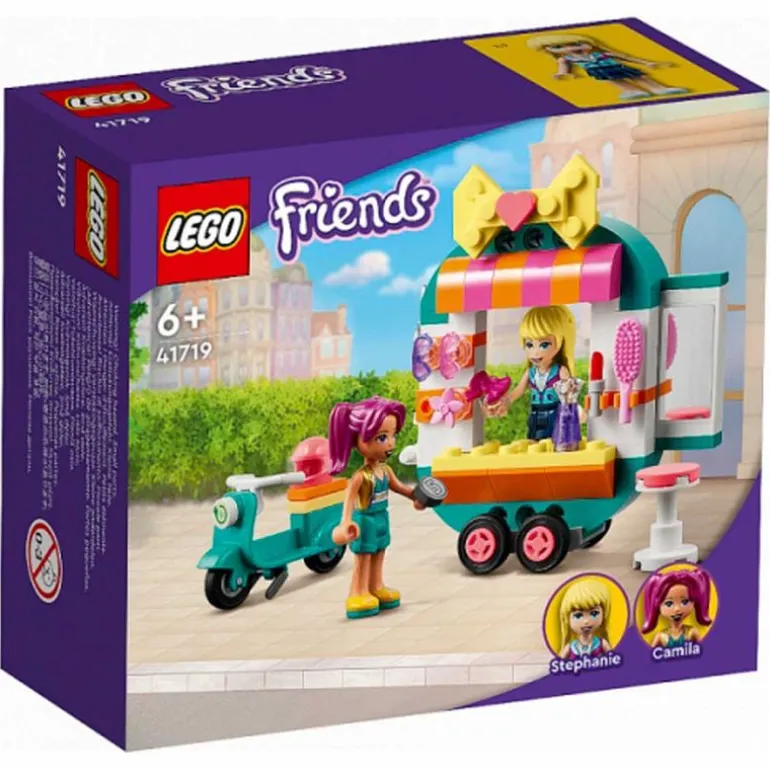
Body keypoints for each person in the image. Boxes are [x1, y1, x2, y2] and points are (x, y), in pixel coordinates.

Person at [328, 396, 424, 619]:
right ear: (358, 440)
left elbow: (401, 488)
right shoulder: (360, 477)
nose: (390, 443)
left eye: (392, 436)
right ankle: (358, 592)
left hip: (382, 518)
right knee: (364, 556)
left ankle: (376, 586)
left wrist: (416, 497)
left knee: (380, 551)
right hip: (364, 520)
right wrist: (346, 522)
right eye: (382, 437)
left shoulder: (385, 471)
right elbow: (349, 501)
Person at [527, 33, 688, 102]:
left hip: (616, 66)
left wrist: (646, 63)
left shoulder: (601, 54)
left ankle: (659, 88)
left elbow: (625, 57)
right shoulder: (565, 58)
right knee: (618, 82)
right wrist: (562, 74)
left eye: (577, 44)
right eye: (560, 47)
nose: (571, 48)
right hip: (599, 71)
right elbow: (563, 67)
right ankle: (632, 91)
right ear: (550, 50)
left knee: (639, 77)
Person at [508, 305, 576, 441]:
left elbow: (569, 395)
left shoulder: (560, 371)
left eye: (544, 345)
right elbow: (519, 390)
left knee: (552, 443)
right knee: (533, 440)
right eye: (529, 345)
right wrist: (506, 401)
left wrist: (573, 411)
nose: (535, 352)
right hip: (535, 414)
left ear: (559, 343)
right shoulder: (531, 372)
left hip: (554, 414)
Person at [642, 568, 712, 648]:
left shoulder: (692, 632)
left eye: (685, 602)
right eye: (669, 603)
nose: (677, 609)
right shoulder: (661, 636)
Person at [557, 578, 613, 659]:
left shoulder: (602, 644)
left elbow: (613, 659)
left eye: (594, 613)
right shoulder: (570, 647)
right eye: (578, 616)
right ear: (566, 619)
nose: (586, 621)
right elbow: (559, 662)